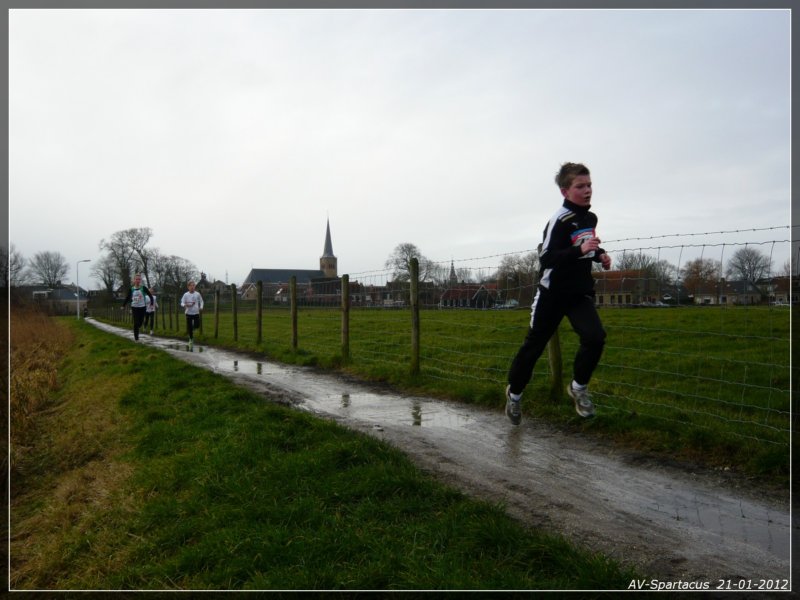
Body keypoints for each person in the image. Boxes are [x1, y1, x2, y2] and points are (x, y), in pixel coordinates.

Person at [505, 162, 612, 425]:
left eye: (589, 185)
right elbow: (548, 257)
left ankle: (578, 387)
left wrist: (600, 254)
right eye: (580, 186)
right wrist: (581, 250)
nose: (587, 191)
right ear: (565, 192)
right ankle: (515, 395)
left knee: (595, 338)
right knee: (533, 348)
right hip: (552, 295)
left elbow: (585, 244)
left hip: (578, 294)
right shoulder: (559, 220)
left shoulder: (590, 218)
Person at [121, 273, 155, 341]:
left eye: (139, 279)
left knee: (140, 322)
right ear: (134, 280)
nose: (138, 280)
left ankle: (138, 327)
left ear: (140, 280)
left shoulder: (143, 288)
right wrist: (123, 305)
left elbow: (150, 295)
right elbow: (127, 298)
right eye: (136, 279)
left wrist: (151, 303)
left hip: (142, 307)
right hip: (134, 307)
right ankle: (136, 338)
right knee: (136, 322)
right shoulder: (131, 289)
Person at [180, 280, 204, 349]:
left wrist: (201, 307)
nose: (192, 287)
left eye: (194, 285)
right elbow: (181, 302)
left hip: (196, 312)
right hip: (188, 313)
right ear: (188, 287)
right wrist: (185, 305)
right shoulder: (186, 294)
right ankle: (191, 339)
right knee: (189, 327)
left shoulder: (197, 294)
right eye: (191, 285)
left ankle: (193, 328)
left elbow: (202, 301)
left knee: (197, 325)